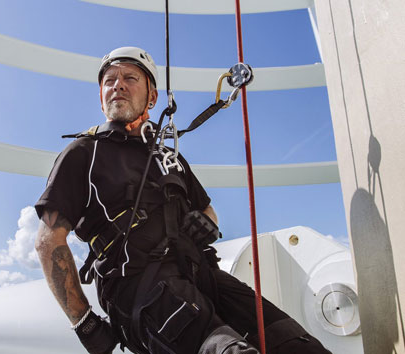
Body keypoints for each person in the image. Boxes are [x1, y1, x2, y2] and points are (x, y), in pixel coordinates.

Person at [34, 46, 331, 354]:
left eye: (130, 77)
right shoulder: (83, 152)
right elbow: (48, 241)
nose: (117, 85)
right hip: (139, 288)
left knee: (300, 346)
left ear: (152, 97)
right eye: (109, 80)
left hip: (203, 276)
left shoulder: (169, 156)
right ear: (101, 96)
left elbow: (207, 210)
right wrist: (84, 323)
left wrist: (207, 223)